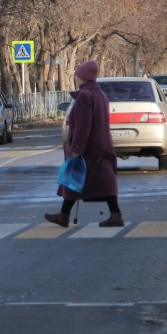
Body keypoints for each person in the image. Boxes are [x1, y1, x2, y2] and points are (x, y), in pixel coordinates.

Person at [44, 60, 123, 228]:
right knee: (105, 179)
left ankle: (64, 216)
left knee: (74, 177)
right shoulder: (100, 94)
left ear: (83, 77)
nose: (76, 79)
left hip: (88, 146)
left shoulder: (85, 96)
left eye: (77, 76)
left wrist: (77, 148)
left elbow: (82, 125)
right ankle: (115, 214)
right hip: (102, 143)